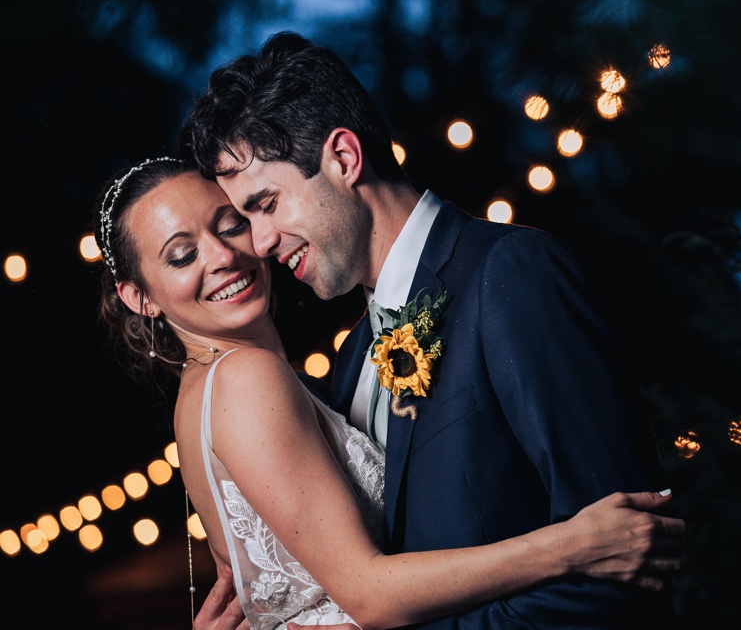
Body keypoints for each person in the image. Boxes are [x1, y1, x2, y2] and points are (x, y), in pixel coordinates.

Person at [180, 32, 674, 629]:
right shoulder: (352, 358)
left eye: (266, 204)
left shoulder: (509, 271)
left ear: (343, 158)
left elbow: (626, 558)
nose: (258, 244)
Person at [96, 157, 684, 630]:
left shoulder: (205, 398)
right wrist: (570, 547)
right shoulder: (247, 378)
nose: (224, 257)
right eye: (181, 255)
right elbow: (369, 595)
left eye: (231, 224)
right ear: (138, 297)